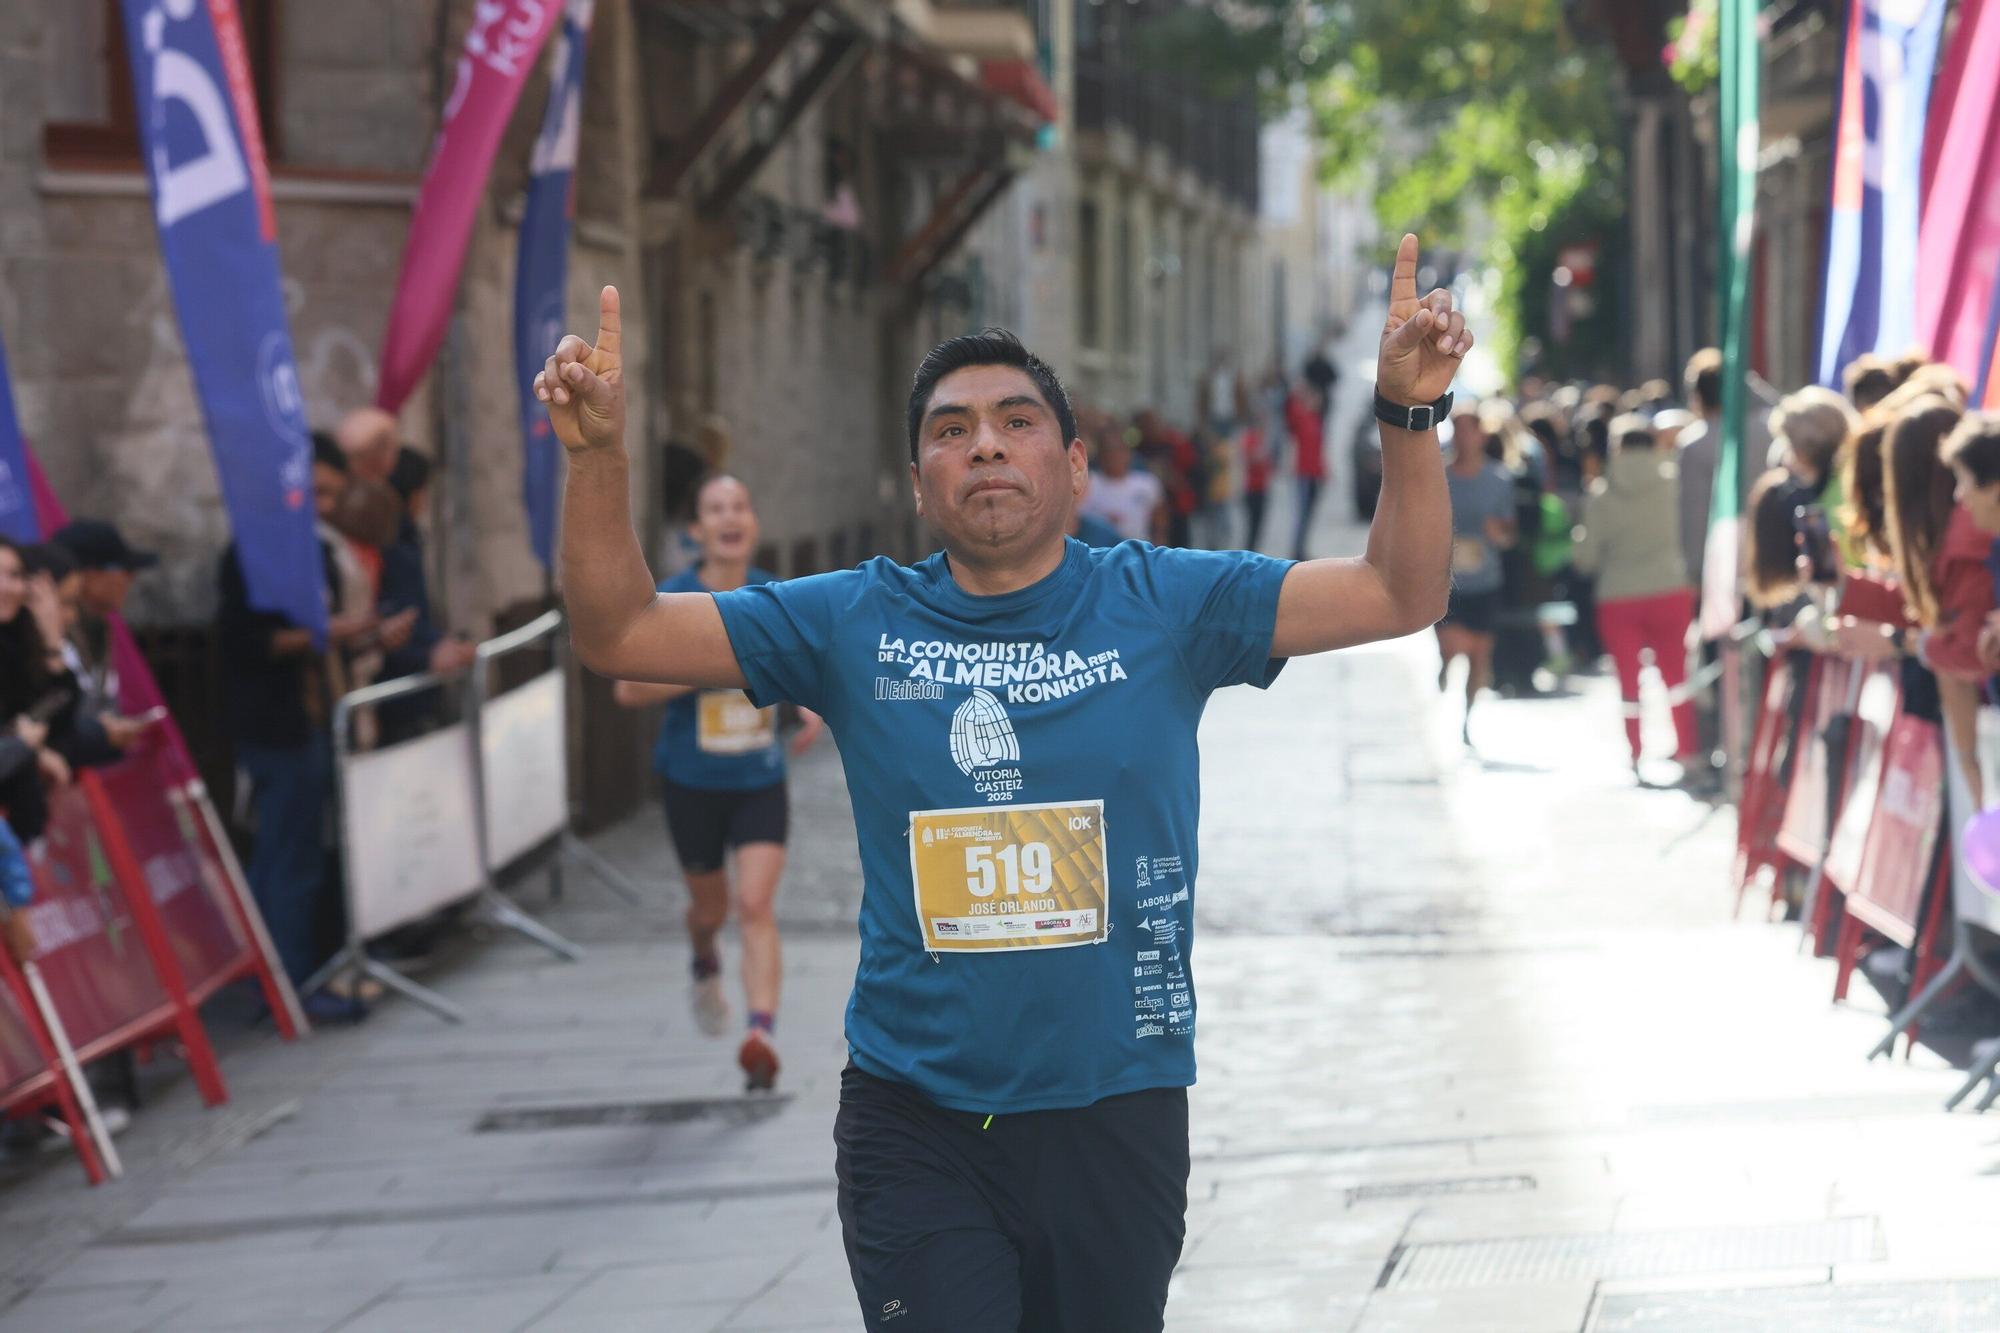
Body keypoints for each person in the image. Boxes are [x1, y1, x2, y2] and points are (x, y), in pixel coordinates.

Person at [535, 232, 1468, 1333]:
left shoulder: (1168, 602)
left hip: (1117, 1106)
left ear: (1073, 467)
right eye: (951, 430)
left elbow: (1397, 593)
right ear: (919, 481)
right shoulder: (850, 619)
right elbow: (619, 630)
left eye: (1016, 422)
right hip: (914, 1114)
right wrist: (594, 458)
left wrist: (1408, 417)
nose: (984, 446)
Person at [613, 474, 823, 1091]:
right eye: (715, 509)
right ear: (697, 530)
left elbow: (805, 666)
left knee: (756, 906)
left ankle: (761, 1033)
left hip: (760, 779)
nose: (729, 518)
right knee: (713, 908)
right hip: (692, 781)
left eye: (740, 506)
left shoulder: (773, 595)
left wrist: (808, 701)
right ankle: (704, 954)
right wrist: (715, 659)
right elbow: (628, 688)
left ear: (753, 523)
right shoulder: (672, 599)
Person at [218, 435, 381, 1022]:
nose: (322, 503)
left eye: (329, 493)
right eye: (312, 492)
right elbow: (246, 640)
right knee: (286, 863)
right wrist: (328, 634)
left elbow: (328, 630)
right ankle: (284, 987)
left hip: (314, 721)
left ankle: (287, 980)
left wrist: (360, 635)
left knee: (298, 858)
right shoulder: (250, 554)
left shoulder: (313, 550)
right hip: (277, 730)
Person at [1571, 415, 1699, 774]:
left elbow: (1585, 558)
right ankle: (1687, 751)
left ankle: (1636, 753)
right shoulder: (1673, 483)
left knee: (1628, 679)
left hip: (1618, 594)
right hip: (1670, 588)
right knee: (1676, 674)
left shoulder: (1601, 494)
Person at [45, 520, 162, 768]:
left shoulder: (99, 628)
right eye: (125, 570)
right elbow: (43, 724)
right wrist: (100, 734)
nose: (131, 580)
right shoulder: (40, 639)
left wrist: (107, 733)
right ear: (88, 574)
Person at [1439, 402, 1515, 744]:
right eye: (1458, 430)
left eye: (1470, 430)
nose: (1464, 437)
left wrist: (1497, 532)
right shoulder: (1439, 476)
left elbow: (1510, 534)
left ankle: (1467, 717)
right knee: (1452, 644)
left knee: (1479, 654)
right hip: (1447, 581)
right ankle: (1443, 665)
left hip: (1485, 579)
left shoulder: (1499, 480)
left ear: (1482, 435)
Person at [1077, 434, 1164, 543]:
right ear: (1101, 456)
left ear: (1128, 455)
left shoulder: (1146, 482)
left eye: (1119, 453)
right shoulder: (1088, 482)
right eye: (1109, 453)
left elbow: (1159, 515)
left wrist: (1159, 540)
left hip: (1137, 546)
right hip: (1099, 550)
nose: (1115, 458)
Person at [1284, 382, 1327, 560]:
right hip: (1303, 473)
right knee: (1301, 514)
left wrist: (1324, 470)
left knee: (1309, 514)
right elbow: (1289, 408)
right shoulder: (1301, 416)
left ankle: (1302, 547)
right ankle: (1297, 550)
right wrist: (1298, 391)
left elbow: (1319, 449)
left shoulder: (1315, 419)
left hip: (1315, 473)